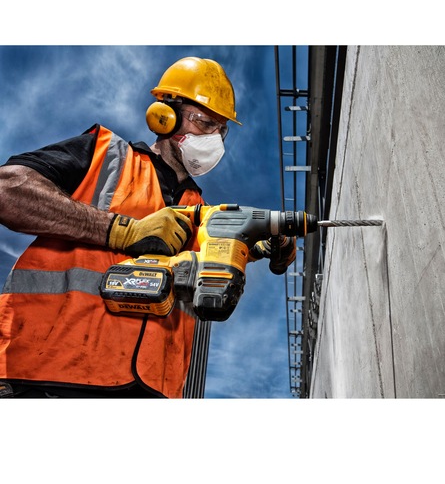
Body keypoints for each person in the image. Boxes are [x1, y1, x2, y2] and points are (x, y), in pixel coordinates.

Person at [0, 56, 295, 398]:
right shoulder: (106, 156)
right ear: (164, 116)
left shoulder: (200, 211)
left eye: (221, 129)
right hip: (47, 374)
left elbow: (202, 280)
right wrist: (122, 231)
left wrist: (251, 247)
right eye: (204, 122)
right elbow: (9, 190)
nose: (214, 138)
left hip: (151, 389)